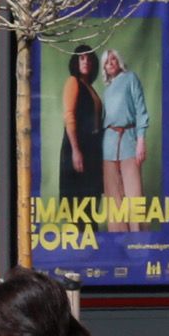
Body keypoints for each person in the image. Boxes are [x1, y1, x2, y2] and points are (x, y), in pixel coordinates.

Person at [100, 46, 148, 217]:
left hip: (129, 140)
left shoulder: (130, 78)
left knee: (134, 197)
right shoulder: (107, 91)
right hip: (109, 144)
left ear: (118, 61)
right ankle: (117, 240)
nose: (110, 63)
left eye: (113, 59)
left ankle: (138, 241)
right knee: (114, 200)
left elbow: (141, 110)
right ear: (104, 68)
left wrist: (141, 140)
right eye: (106, 62)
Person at [57, 47, 106, 209]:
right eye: (82, 58)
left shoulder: (89, 87)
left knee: (91, 202)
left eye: (89, 59)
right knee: (78, 203)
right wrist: (76, 151)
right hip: (78, 147)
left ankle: (90, 233)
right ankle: (79, 234)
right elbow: (69, 117)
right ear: (75, 62)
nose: (86, 62)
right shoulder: (73, 81)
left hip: (92, 149)